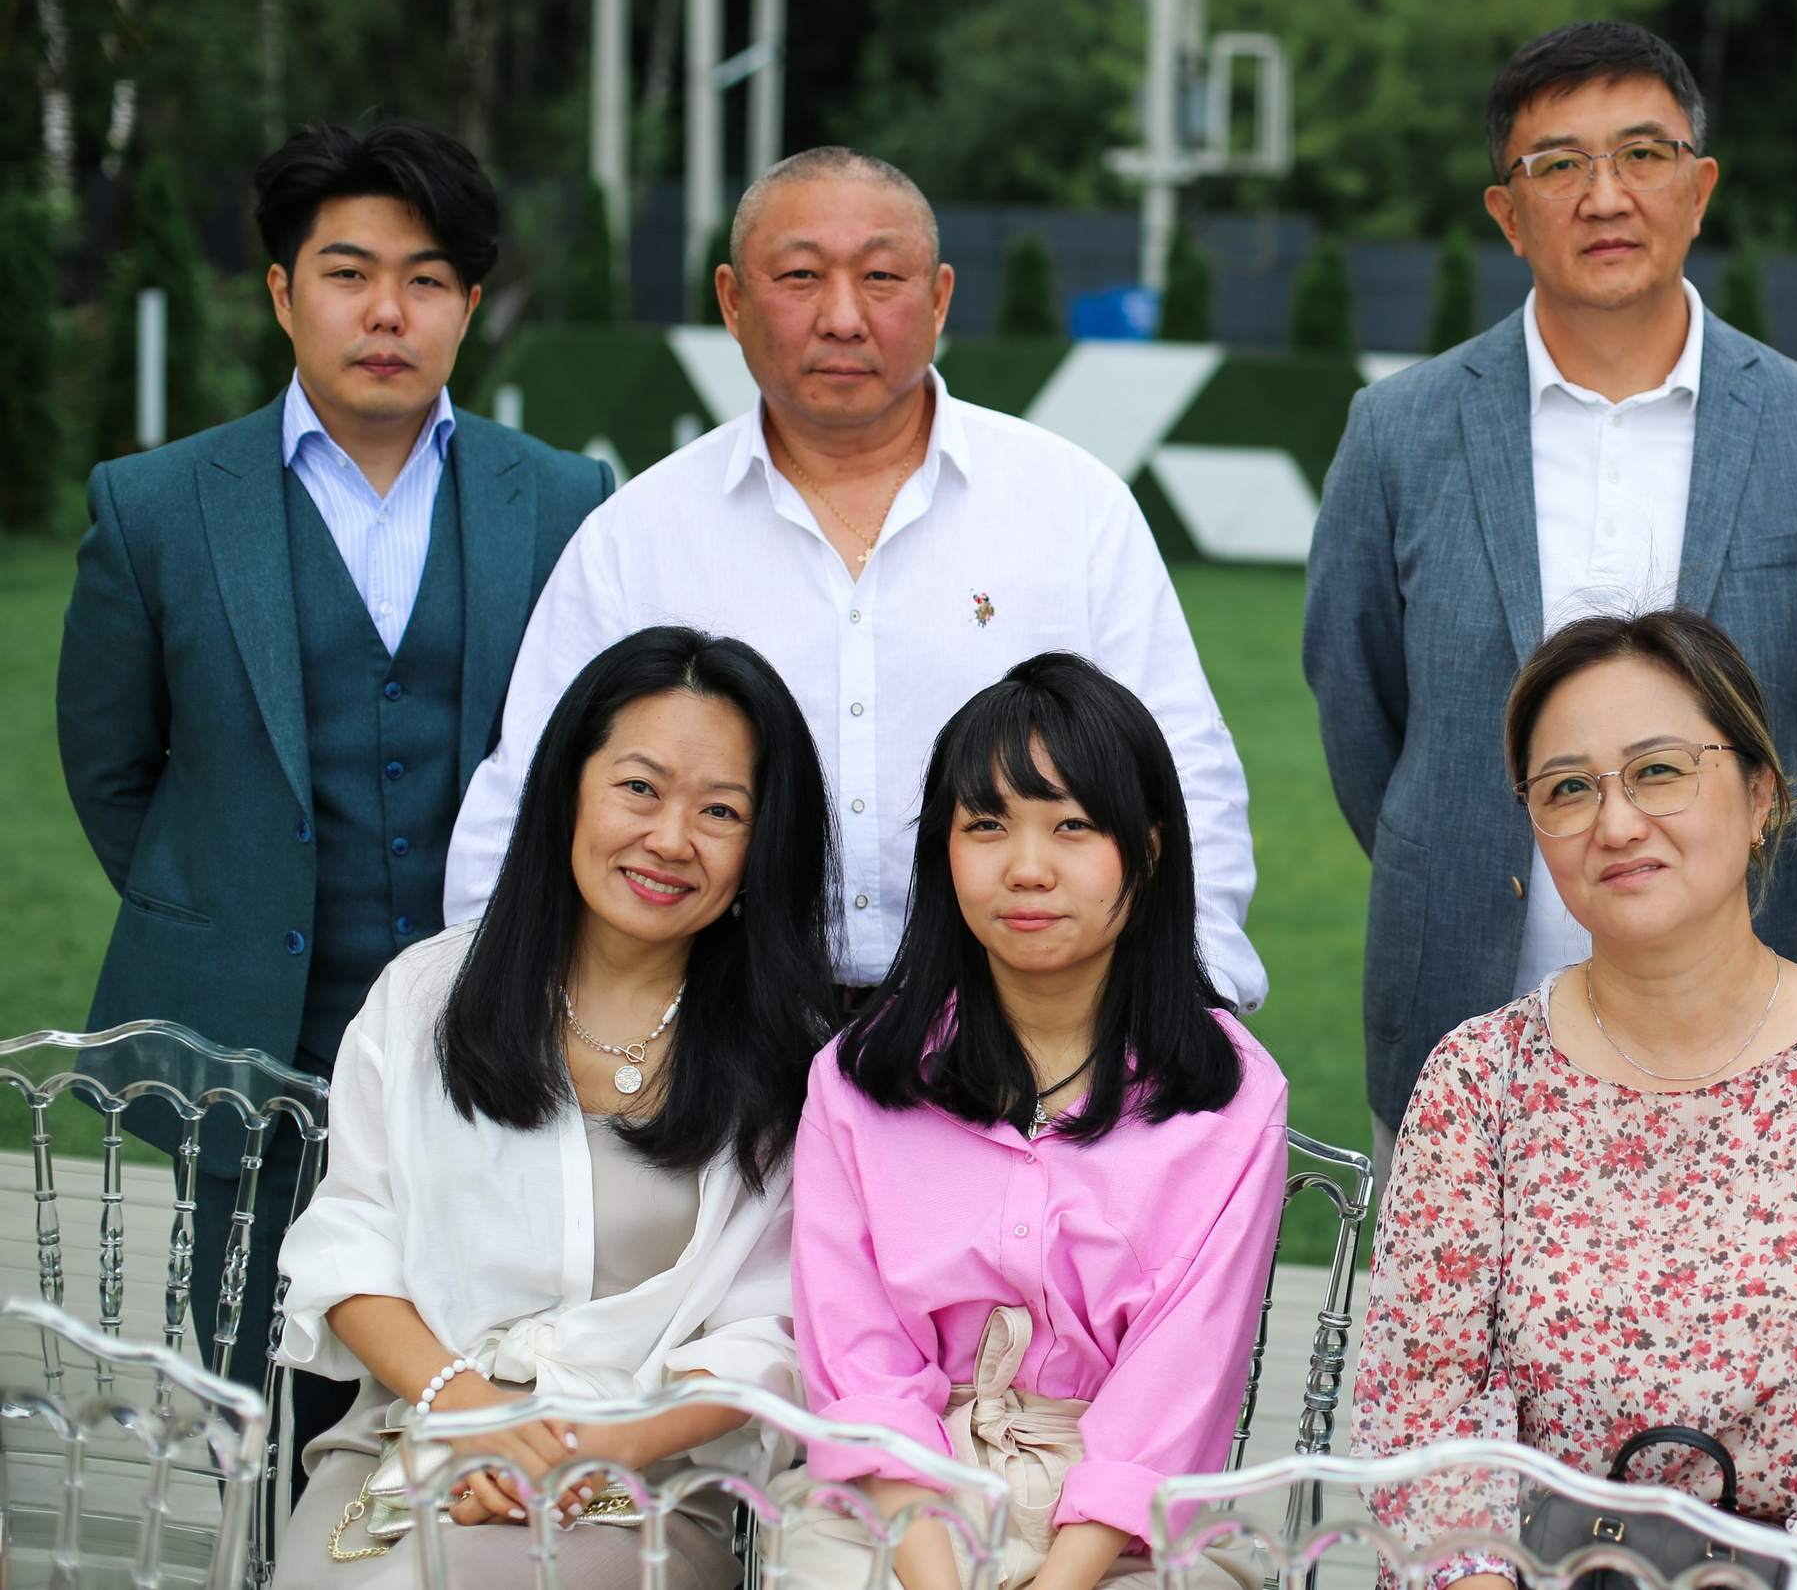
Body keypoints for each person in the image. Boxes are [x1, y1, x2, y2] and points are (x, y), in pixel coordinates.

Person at [56, 119, 612, 1425]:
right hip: (252, 1051)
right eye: (347, 270)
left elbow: (596, 751)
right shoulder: (157, 505)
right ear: (282, 292)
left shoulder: (564, 499)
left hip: (496, 1047)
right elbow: (111, 764)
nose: (385, 310)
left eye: (425, 279)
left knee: (485, 1413)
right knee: (264, 1411)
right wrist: (232, 897)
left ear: (469, 308)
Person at [444, 147, 1262, 1018]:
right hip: (716, 1031)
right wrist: (487, 1002)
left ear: (940, 297)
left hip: (1012, 1024)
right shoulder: (641, 534)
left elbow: (1183, 771)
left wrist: (1192, 1000)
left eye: (881, 276)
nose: (842, 316)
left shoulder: (1071, 507)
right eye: (799, 276)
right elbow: (527, 790)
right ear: (731, 299)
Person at [1302, 21, 1797, 1181]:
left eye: (1643, 153)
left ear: (1699, 187)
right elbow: (1359, 704)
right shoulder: (1400, 431)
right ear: (1505, 211)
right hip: (1466, 1021)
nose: (1604, 194)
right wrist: (1470, 842)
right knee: (1453, 1363)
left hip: (1745, 1024)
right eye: (1557, 165)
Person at [1352, 608, 1797, 1590]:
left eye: (1658, 770)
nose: (1614, 823)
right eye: (1568, 789)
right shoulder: (1477, 1081)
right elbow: (1418, 1421)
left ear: (1761, 792)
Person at [269, 626, 837, 1590]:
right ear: (569, 785)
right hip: (414, 1433)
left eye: (721, 810)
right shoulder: (428, 994)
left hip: (643, 1475)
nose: (670, 838)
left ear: (761, 841)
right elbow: (351, 1239)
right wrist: (473, 1409)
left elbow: (774, 1329)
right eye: (639, 787)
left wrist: (594, 1443)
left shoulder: (792, 1055)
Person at [787, 651, 1287, 1590]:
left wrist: (1063, 1576)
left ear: (1146, 848)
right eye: (987, 826)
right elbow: (862, 1367)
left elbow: (1178, 1383)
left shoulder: (1231, 1096)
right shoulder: (855, 1080)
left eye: (1072, 827)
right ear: (944, 848)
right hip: (896, 1512)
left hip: (1122, 1534)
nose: (1026, 868)